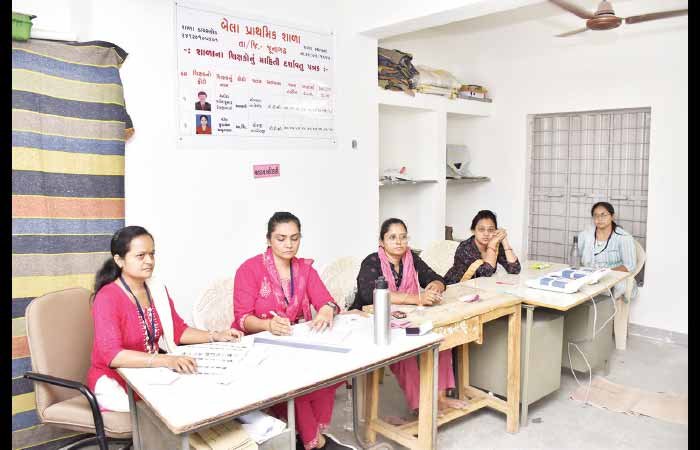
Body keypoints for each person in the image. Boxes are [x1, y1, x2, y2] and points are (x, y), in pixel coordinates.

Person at [88, 226, 243, 413]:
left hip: (152, 374)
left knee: (209, 394)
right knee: (172, 412)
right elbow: (113, 355)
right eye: (141, 256)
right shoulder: (107, 298)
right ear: (119, 260)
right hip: (115, 382)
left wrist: (216, 335)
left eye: (152, 254)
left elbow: (178, 331)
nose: (149, 261)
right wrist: (166, 360)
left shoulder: (156, 288)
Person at [232, 212, 353, 450]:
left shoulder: (304, 269)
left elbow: (327, 301)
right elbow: (243, 319)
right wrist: (268, 325)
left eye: (294, 238)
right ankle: (315, 442)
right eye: (281, 238)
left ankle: (308, 435)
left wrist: (326, 310)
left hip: (293, 343)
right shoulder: (249, 269)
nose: (289, 244)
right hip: (258, 347)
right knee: (294, 382)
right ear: (268, 239)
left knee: (328, 371)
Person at [349, 218, 469, 420]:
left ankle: (440, 398)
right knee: (404, 351)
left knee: (440, 337)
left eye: (403, 237)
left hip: (405, 319)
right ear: (381, 242)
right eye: (392, 237)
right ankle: (420, 404)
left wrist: (435, 286)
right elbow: (370, 294)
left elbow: (436, 277)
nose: (399, 242)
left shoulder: (411, 258)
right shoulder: (372, 262)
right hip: (372, 322)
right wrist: (416, 299)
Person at [577, 201, 637, 299]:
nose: (599, 219)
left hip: (612, 278)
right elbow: (576, 257)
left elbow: (630, 266)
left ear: (612, 216)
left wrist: (603, 274)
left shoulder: (623, 237)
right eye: (596, 215)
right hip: (589, 276)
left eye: (603, 215)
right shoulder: (585, 235)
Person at [444, 210, 521, 284]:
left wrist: (504, 240)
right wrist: (491, 245)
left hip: (478, 287)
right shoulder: (465, 247)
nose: (486, 234)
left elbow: (515, 269)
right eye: (481, 229)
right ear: (473, 230)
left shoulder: (496, 244)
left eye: (491, 230)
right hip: (454, 286)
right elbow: (485, 273)